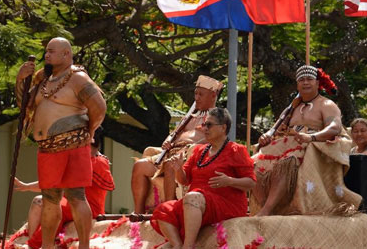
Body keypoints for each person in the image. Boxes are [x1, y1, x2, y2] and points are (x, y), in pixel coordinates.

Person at [16, 37, 106, 249]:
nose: (46, 55)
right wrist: (21, 79)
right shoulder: (43, 79)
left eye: (51, 51)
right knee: (50, 198)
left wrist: (89, 130)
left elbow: (99, 107)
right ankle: (47, 246)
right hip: (47, 147)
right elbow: (25, 106)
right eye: (46, 51)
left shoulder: (78, 78)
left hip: (74, 144)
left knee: (76, 196)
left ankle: (84, 245)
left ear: (66, 54)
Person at [251, 65, 360, 216]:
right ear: (297, 85)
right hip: (286, 143)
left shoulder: (326, 104)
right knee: (251, 163)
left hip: (310, 146)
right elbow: (276, 130)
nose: (305, 82)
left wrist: (312, 137)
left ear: (317, 83)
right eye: (301, 80)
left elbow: (334, 127)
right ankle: (266, 204)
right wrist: (266, 136)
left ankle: (267, 209)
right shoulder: (291, 108)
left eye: (309, 79)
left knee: (287, 162)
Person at [151, 108, 255, 249]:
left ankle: (188, 246)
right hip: (196, 204)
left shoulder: (236, 150)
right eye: (204, 125)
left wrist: (229, 181)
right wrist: (178, 169)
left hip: (225, 203)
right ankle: (177, 244)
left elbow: (250, 183)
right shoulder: (199, 150)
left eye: (209, 125)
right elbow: (184, 180)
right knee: (163, 209)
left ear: (223, 127)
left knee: (193, 197)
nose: (204, 128)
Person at [131, 75, 223, 213]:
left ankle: (169, 211)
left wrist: (187, 144)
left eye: (201, 94)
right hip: (171, 153)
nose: (196, 98)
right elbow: (174, 133)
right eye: (195, 94)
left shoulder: (217, 117)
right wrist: (168, 140)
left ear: (213, 95)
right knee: (140, 166)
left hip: (190, 158)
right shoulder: (190, 117)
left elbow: (214, 141)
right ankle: (138, 213)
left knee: (171, 164)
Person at [14, 131, 115, 249]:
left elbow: (57, 184)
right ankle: (33, 242)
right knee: (38, 201)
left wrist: (27, 186)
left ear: (92, 142)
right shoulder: (83, 159)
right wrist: (27, 186)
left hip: (90, 207)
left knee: (56, 206)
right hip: (72, 201)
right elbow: (56, 183)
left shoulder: (99, 161)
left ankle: (36, 244)